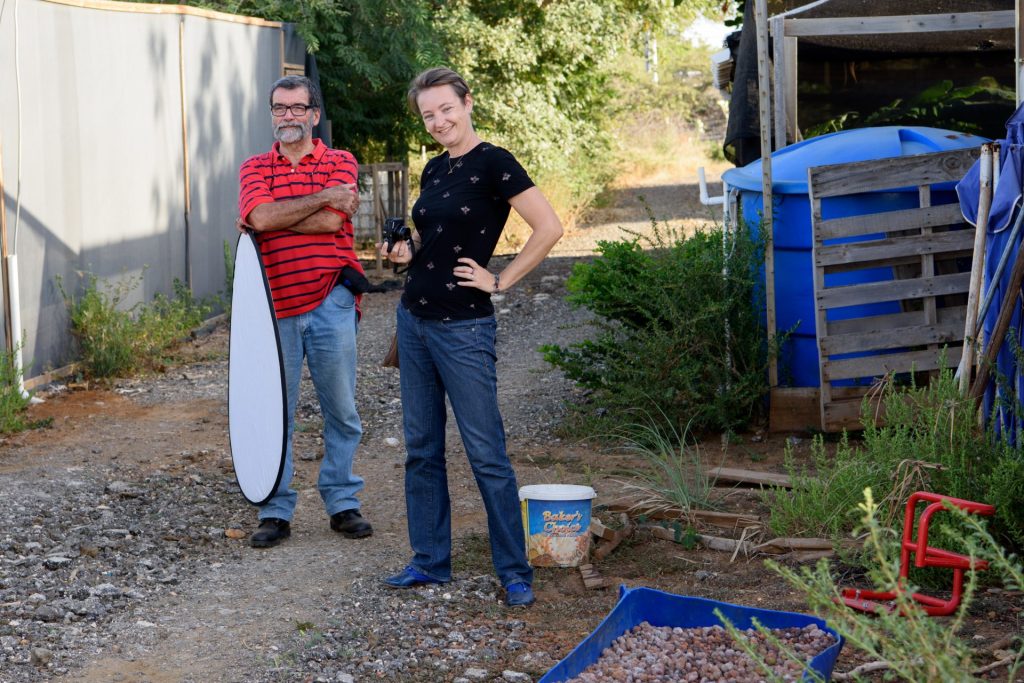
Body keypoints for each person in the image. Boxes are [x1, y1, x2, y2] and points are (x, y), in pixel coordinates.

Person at [380, 67, 563, 606]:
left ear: (467, 102)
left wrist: (500, 279)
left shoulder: (495, 162)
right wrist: (404, 252)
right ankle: (431, 562)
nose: (438, 121)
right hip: (413, 322)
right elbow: (431, 238)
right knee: (421, 449)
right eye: (428, 115)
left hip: (464, 328)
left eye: (446, 109)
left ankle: (513, 570)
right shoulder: (435, 168)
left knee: (486, 452)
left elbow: (549, 227)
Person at [237, 75, 372, 548]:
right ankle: (275, 510)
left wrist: (285, 213)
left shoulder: (340, 160)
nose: (287, 116)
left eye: (297, 108)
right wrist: (317, 200)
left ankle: (341, 502)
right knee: (276, 411)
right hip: (271, 308)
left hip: (332, 298)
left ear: (315, 115)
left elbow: (335, 220)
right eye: (279, 108)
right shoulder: (254, 167)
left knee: (342, 409)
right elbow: (260, 219)